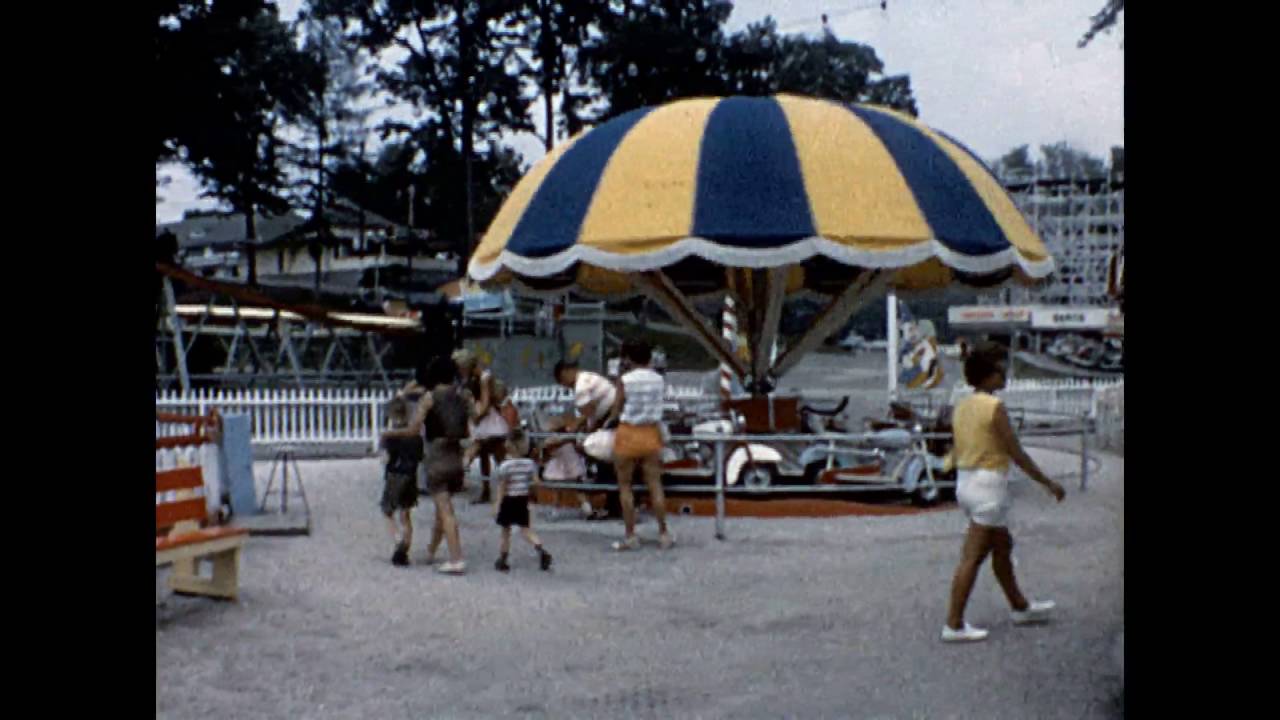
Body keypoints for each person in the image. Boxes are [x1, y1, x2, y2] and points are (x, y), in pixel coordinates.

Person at [942, 342, 1066, 642]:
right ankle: (954, 624)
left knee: (1002, 546)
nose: (1005, 375)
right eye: (1000, 370)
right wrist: (1048, 482)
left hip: (966, 482)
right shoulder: (994, 408)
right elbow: (1016, 453)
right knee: (972, 557)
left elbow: (956, 450)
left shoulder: (962, 405)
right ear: (987, 375)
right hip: (989, 486)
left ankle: (1020, 606)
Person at [383, 355, 474, 575]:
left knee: (445, 511)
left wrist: (390, 433)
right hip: (457, 454)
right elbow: (473, 423)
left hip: (438, 455)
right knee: (442, 511)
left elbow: (414, 429)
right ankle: (432, 550)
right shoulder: (464, 396)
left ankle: (456, 558)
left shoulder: (430, 398)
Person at [610, 341, 673, 551]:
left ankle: (631, 535)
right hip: (651, 433)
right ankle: (663, 533)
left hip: (628, 433)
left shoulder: (625, 380)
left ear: (629, 359)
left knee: (625, 487)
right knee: (655, 485)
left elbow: (617, 409)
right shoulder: (659, 380)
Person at [553, 360, 619, 518]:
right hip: (612, 418)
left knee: (604, 460)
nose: (565, 386)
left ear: (566, 373)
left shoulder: (581, 387)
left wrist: (579, 431)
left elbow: (588, 414)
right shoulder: (589, 378)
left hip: (609, 420)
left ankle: (612, 504)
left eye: (562, 381)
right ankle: (612, 504)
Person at [492, 431, 553, 572]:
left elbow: (503, 486)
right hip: (522, 499)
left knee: (505, 531)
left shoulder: (505, 466)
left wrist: (497, 503)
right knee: (525, 529)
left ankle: (503, 559)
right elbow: (536, 482)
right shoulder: (530, 464)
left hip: (508, 500)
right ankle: (541, 550)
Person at [455, 349, 508, 505]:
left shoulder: (484, 378)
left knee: (493, 454)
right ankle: (487, 490)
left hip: (488, 421)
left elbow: (485, 404)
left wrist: (475, 415)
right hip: (485, 420)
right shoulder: (475, 378)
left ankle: (464, 466)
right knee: (488, 455)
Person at [379, 397, 424, 567]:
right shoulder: (415, 436)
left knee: (387, 511)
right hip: (411, 475)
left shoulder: (390, 436)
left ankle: (398, 540)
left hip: (394, 475)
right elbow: (420, 457)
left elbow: (385, 458)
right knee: (406, 514)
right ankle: (406, 546)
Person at [540, 411, 603, 520]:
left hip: (568, 464)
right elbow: (548, 449)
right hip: (564, 465)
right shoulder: (560, 438)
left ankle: (586, 510)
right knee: (566, 490)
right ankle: (583, 510)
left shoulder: (563, 437)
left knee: (573, 489)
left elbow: (551, 450)